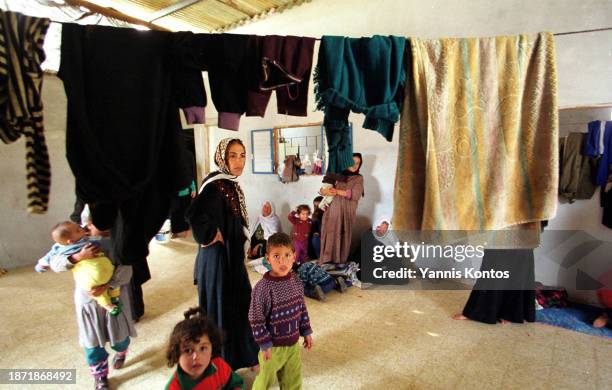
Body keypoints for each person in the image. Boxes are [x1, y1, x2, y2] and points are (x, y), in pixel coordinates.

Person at [186, 138, 259, 370]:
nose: (239, 161)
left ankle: (245, 356)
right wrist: (209, 235)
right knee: (222, 307)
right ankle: (223, 363)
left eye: (242, 155)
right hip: (218, 260)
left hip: (231, 257)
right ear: (222, 158)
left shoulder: (230, 183)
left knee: (240, 304)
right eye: (233, 156)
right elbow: (193, 214)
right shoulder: (216, 185)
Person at [43, 227, 136, 390]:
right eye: (83, 226)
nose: (85, 228)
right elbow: (55, 264)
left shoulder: (116, 244)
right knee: (92, 342)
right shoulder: (76, 247)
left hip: (114, 297)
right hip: (88, 301)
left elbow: (126, 270)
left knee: (119, 338)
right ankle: (100, 377)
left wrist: (106, 285)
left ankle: (121, 351)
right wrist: (78, 257)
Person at [248, 233, 313, 389]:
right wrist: (264, 343)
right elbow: (255, 318)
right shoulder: (263, 288)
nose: (282, 261)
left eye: (287, 255)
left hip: (293, 345)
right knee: (264, 382)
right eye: (276, 256)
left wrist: (307, 331)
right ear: (267, 259)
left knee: (293, 381)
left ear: (294, 257)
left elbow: (301, 308)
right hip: (272, 348)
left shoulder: (296, 280)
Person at [35, 221, 122, 315]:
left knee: (114, 288)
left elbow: (109, 244)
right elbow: (53, 263)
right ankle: (107, 305)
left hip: (111, 278)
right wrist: (79, 256)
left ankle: (114, 297)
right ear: (70, 241)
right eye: (78, 229)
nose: (83, 228)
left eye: (79, 227)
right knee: (97, 295)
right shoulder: (61, 248)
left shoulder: (89, 240)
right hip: (90, 284)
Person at [165, 307, 245, 390]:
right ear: (176, 355)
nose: (196, 356)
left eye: (203, 348)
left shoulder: (219, 366)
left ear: (212, 349)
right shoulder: (173, 387)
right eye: (188, 350)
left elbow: (236, 383)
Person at [319, 153, 364, 268]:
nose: (355, 165)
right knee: (329, 234)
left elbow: (355, 194)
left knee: (342, 235)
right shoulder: (337, 175)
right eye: (352, 162)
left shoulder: (358, 178)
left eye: (358, 163)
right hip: (332, 213)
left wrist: (336, 191)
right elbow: (323, 189)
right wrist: (324, 191)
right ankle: (326, 263)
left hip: (346, 213)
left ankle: (339, 264)